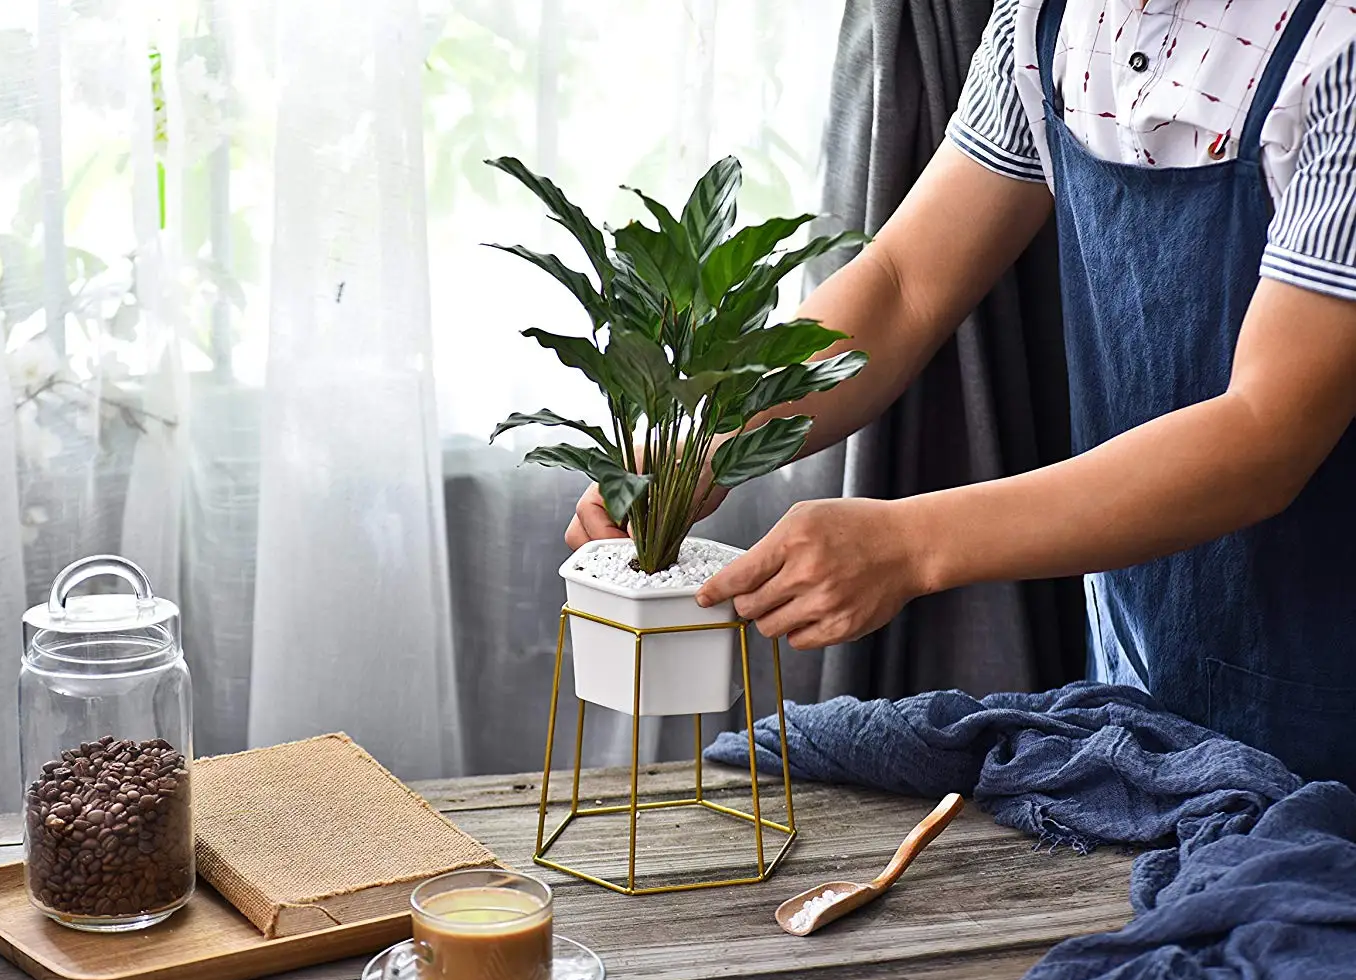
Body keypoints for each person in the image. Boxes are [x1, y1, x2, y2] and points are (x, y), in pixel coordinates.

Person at [566, 0, 1356, 787]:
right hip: (1144, 677)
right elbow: (903, 284)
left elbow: (1267, 432)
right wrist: (709, 437)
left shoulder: (1338, 50)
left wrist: (909, 546)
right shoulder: (1045, 20)